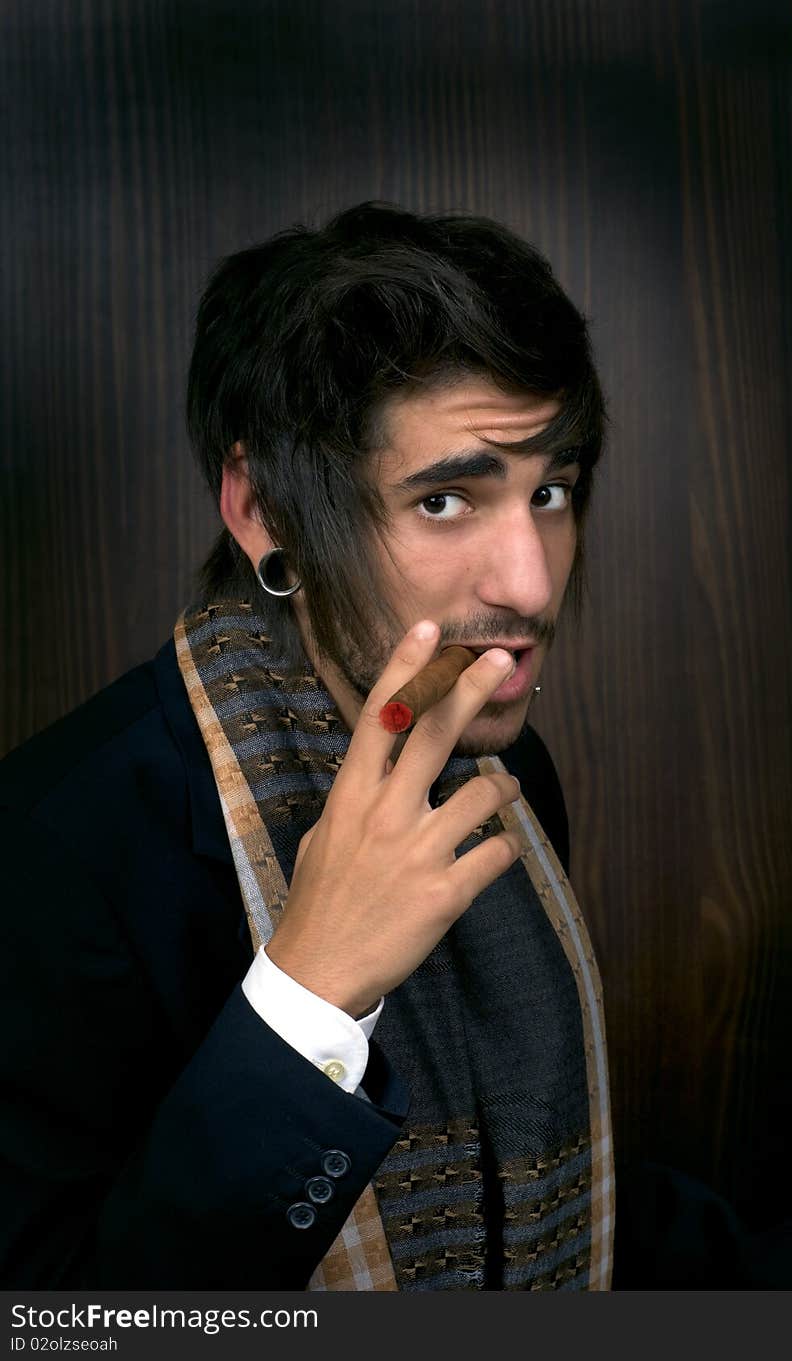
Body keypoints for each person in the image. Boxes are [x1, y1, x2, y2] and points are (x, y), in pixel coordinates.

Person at [0, 201, 614, 1290]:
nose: (529, 581)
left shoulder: (504, 774)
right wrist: (307, 995)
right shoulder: (54, 850)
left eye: (550, 491)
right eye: (444, 500)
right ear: (263, 508)